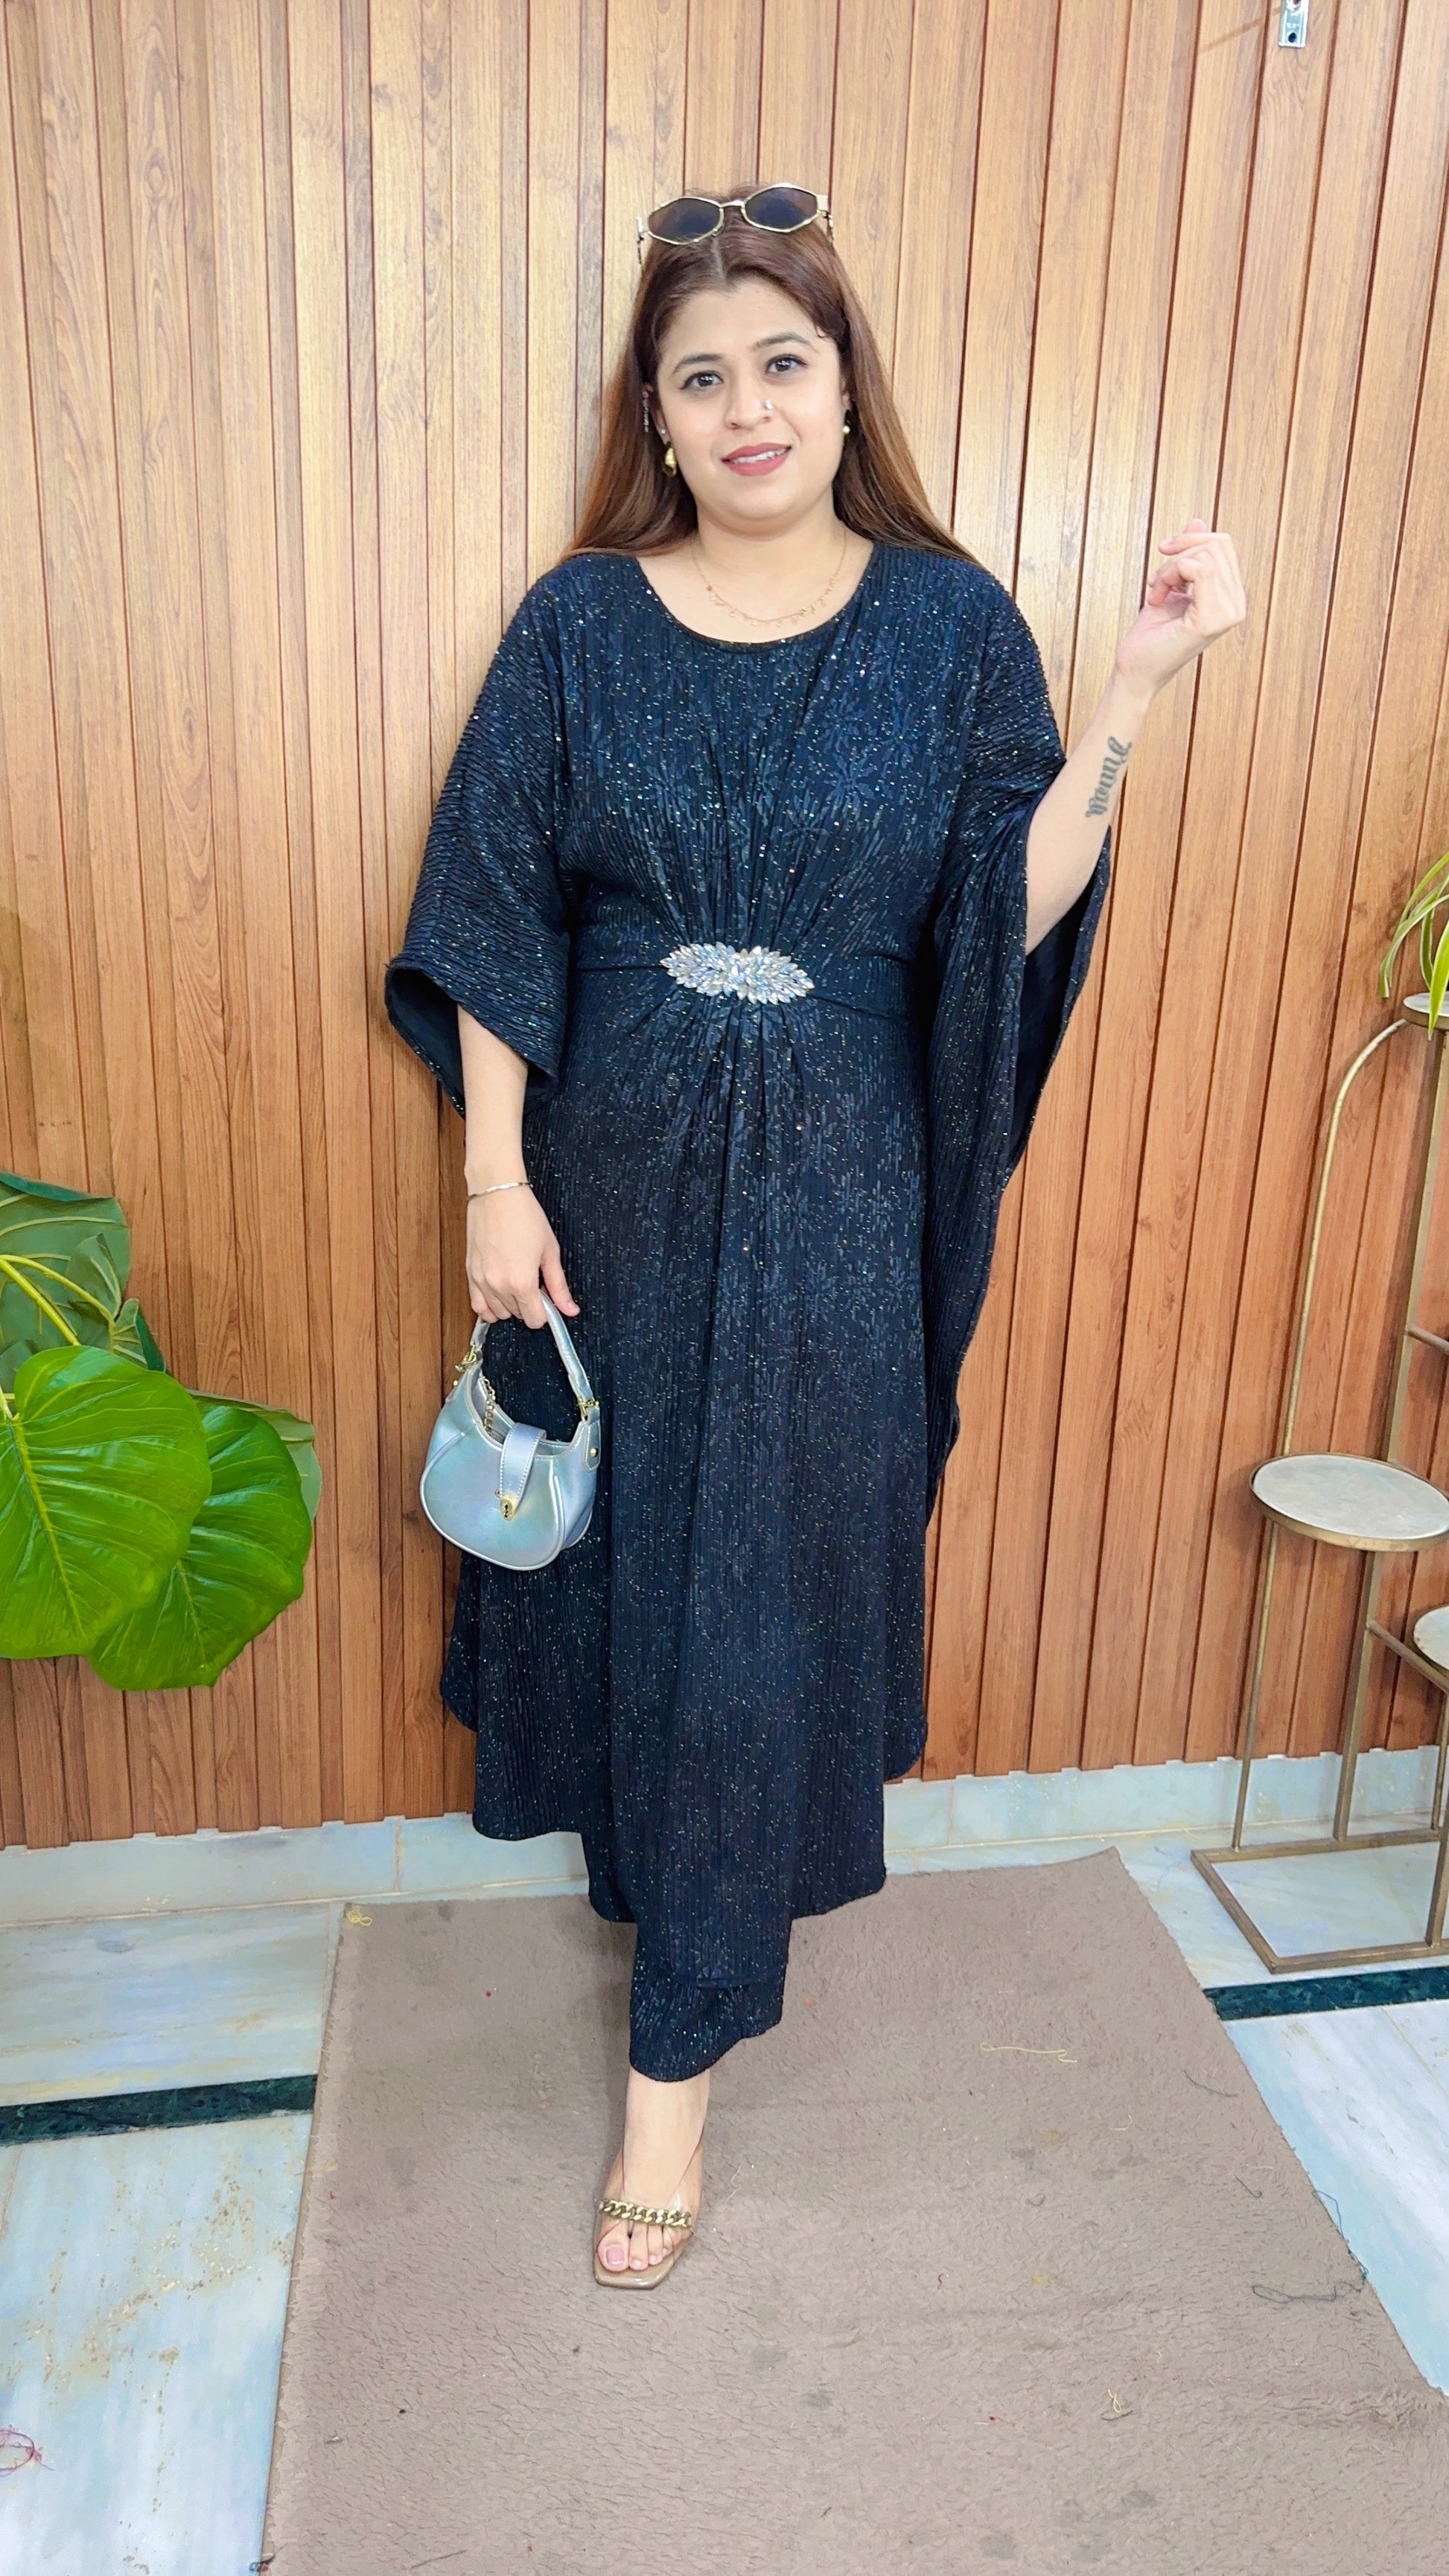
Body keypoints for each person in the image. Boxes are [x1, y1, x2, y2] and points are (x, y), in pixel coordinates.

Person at [385, 182, 1246, 2289]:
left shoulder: (951, 627)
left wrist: (1132, 691)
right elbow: (495, 905)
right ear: (658, 419)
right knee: (636, 1569)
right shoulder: (576, 626)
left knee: (764, 1587)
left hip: (850, 1200)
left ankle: (669, 2072)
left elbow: (996, 920)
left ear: (846, 388)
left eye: (782, 360)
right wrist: (494, 1181)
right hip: (613, 1188)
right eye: (702, 377)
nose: (747, 405)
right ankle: (673, 1926)